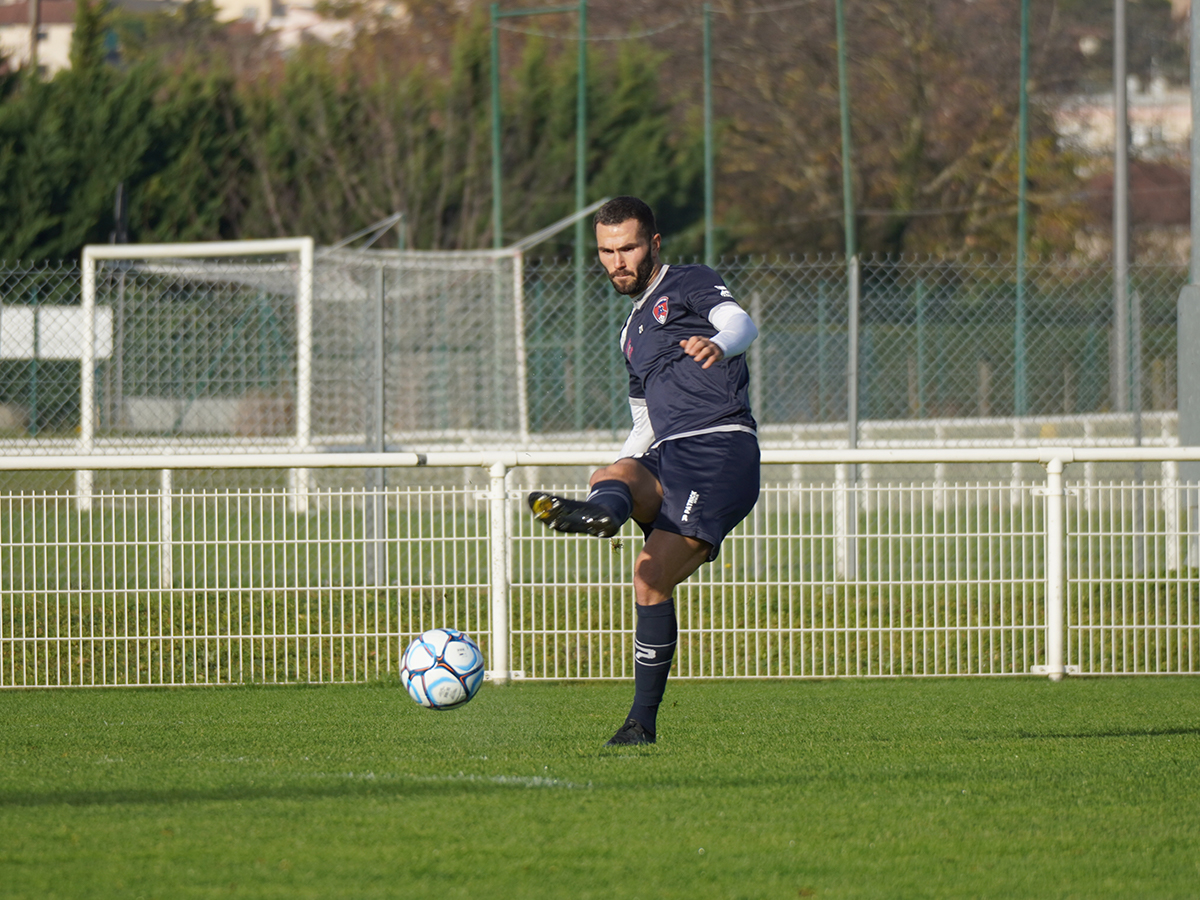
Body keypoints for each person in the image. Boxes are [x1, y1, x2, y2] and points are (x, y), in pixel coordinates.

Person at [528, 196, 761, 747]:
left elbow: (740, 322)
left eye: (628, 248)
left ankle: (641, 723)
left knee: (649, 575)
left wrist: (718, 343)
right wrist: (617, 476)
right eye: (607, 252)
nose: (617, 262)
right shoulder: (630, 333)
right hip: (670, 450)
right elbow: (643, 422)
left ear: (653, 244)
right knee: (613, 479)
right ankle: (603, 513)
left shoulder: (688, 283)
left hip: (720, 449)